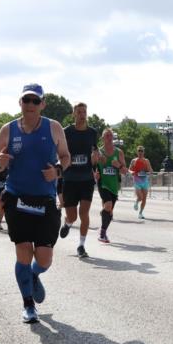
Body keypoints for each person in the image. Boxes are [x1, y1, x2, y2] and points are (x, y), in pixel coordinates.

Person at [0, 83, 70, 324]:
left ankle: (34, 275)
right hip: (17, 197)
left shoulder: (53, 127)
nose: (31, 105)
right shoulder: (8, 130)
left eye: (36, 101)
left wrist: (57, 171)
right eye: (27, 100)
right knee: (23, 252)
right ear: (20, 103)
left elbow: (65, 156)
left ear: (42, 104)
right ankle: (28, 305)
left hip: (45, 199)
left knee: (44, 259)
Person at [59, 103, 99, 257]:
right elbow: (59, 152)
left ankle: (81, 246)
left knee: (84, 213)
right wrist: (62, 163)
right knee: (73, 216)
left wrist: (95, 159)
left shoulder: (92, 132)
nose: (82, 115)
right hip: (70, 179)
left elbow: (94, 152)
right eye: (79, 112)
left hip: (86, 179)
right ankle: (68, 223)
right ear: (74, 114)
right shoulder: (66, 132)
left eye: (84, 112)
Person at [94, 128, 125, 244]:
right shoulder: (98, 152)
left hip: (114, 185)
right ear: (102, 138)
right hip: (103, 183)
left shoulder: (119, 152)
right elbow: (92, 166)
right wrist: (95, 173)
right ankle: (102, 234)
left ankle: (104, 227)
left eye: (111, 135)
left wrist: (119, 166)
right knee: (108, 205)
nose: (109, 137)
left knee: (109, 212)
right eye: (107, 135)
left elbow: (125, 171)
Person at [130, 146, 153, 220]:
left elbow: (150, 170)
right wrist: (131, 172)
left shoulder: (146, 161)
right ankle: (136, 202)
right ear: (137, 152)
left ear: (143, 152)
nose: (140, 152)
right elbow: (129, 169)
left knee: (144, 199)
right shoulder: (134, 160)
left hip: (145, 181)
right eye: (139, 151)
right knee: (140, 197)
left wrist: (149, 171)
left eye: (141, 151)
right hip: (137, 181)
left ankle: (140, 213)